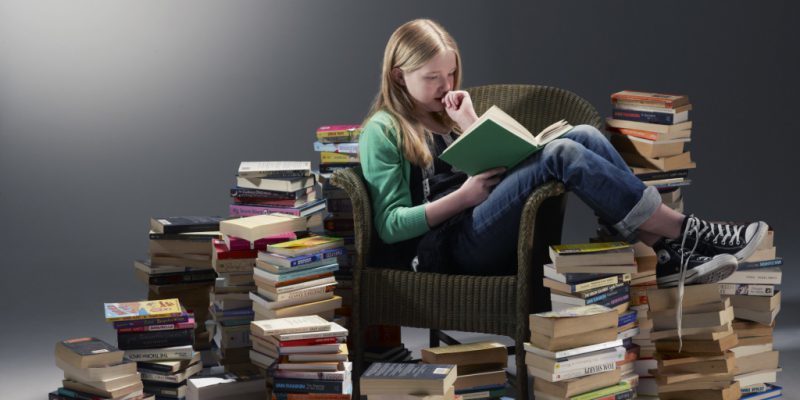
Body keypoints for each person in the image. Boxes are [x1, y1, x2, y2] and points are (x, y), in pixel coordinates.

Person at [358, 18, 768, 291]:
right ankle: (685, 232)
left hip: (479, 225)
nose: (445, 85)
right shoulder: (383, 130)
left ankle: (659, 252)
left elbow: (490, 166)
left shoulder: (444, 114)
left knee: (583, 135)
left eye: (450, 74)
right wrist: (463, 197)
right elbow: (391, 226)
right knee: (564, 154)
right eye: (432, 78)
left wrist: (469, 124)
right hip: (440, 254)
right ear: (398, 75)